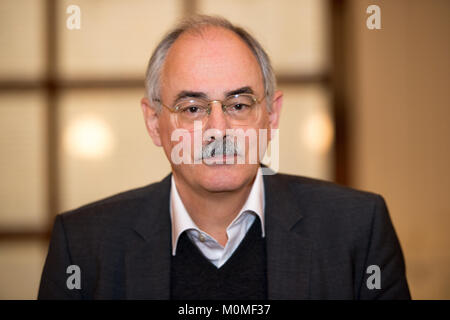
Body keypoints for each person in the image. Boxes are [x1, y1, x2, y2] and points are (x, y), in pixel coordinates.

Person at [38, 15, 410, 300]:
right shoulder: (85, 246)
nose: (219, 129)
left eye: (238, 104)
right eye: (193, 108)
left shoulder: (358, 229)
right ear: (154, 123)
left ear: (272, 115)